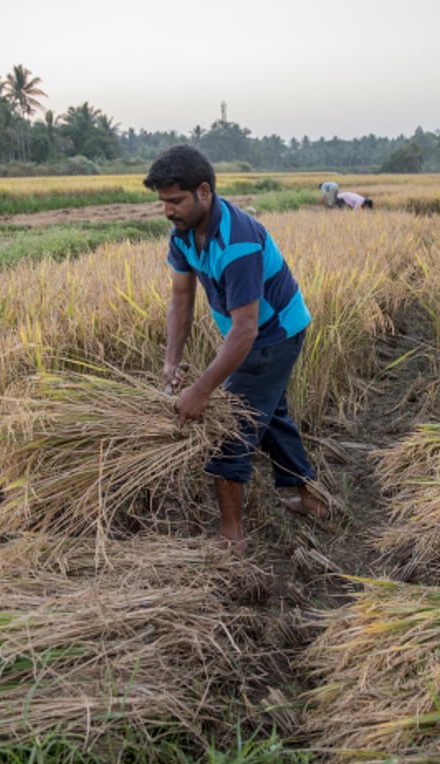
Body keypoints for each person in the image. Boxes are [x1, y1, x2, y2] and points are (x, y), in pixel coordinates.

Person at [145, 144, 327, 553]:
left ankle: (232, 537)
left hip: (273, 334)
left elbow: (245, 331)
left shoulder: (238, 242)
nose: (168, 210)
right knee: (271, 415)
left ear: (204, 192)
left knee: (230, 430)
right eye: (163, 202)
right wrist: (171, 362)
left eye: (175, 200)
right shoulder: (183, 235)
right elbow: (181, 299)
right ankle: (306, 497)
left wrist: (202, 390)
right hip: (250, 332)